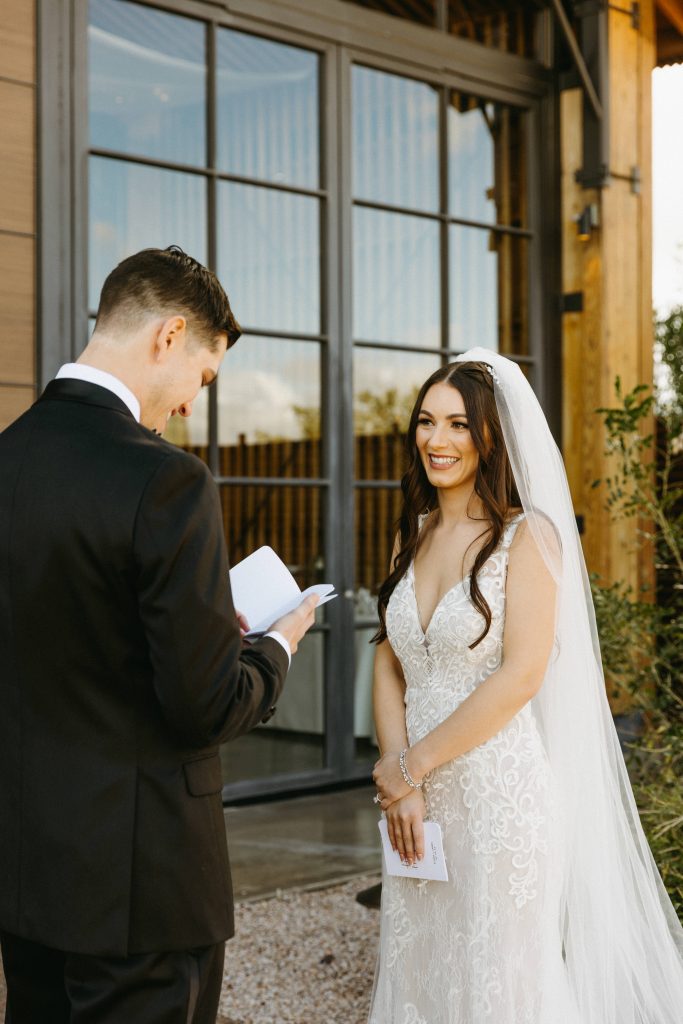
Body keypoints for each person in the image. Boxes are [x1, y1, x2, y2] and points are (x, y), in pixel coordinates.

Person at [0, 246, 318, 1023]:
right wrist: (276, 645)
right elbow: (204, 706)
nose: (188, 406)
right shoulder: (165, 480)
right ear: (169, 335)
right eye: (203, 381)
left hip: (27, 877)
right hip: (143, 890)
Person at [369, 350, 683, 1024]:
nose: (436, 440)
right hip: (414, 803)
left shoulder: (527, 537)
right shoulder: (410, 535)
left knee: (499, 985)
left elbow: (522, 674)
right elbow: (388, 662)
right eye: (425, 422)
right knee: (420, 970)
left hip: (495, 800)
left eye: (457, 425)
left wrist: (410, 765)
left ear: (491, 437)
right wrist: (400, 782)